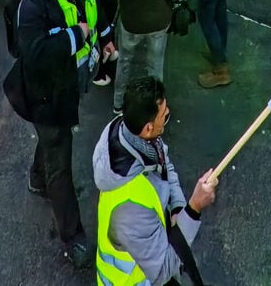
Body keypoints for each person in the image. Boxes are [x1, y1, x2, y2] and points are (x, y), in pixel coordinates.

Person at [13, 0, 115, 268]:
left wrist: (104, 36)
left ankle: (36, 177)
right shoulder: (33, 8)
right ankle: (73, 238)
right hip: (48, 97)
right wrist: (78, 35)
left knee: (52, 142)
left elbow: (97, 8)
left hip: (70, 86)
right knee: (61, 164)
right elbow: (35, 53)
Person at [93, 77, 218, 285]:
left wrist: (178, 208)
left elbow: (164, 166)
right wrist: (194, 207)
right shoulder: (130, 209)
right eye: (164, 115)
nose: (168, 114)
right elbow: (162, 271)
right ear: (149, 127)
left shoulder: (131, 134)